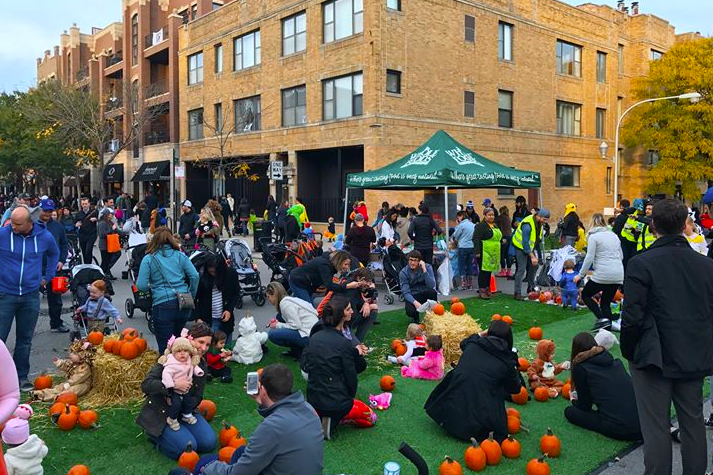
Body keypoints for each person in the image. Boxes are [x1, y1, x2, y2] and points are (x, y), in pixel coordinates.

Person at [621, 199, 713, 475]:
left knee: (657, 427)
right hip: (690, 352)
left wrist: (630, 350)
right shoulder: (706, 266)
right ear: (684, 226)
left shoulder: (642, 264)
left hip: (653, 356)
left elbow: (632, 316)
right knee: (692, 422)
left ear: (653, 226)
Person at [197, 364, 324, 475]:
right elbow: (282, 424)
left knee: (204, 463)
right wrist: (262, 401)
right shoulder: (308, 408)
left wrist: (208, 467)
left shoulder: (271, 427)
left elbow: (238, 473)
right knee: (241, 451)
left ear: (262, 389)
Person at [425, 320, 521, 443]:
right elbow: (515, 389)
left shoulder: (473, 344)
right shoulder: (507, 360)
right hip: (479, 422)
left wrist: (484, 333)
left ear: (488, 333)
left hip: (448, 412)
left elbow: (464, 343)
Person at [0, 207, 59, 391]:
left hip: (30, 295)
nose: (14, 227)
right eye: (12, 222)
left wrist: (46, 277)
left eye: (18, 224)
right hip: (5, 295)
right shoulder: (3, 234)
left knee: (25, 340)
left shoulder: (44, 236)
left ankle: (21, 377)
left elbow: (54, 253)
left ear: (29, 222)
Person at [137, 324, 216, 460]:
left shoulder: (200, 364)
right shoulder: (169, 358)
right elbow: (146, 384)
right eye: (201, 342)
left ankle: (182, 426)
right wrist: (172, 386)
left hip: (185, 411)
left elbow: (198, 395)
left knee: (209, 443)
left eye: (207, 345)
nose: (204, 348)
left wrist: (186, 405)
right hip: (162, 413)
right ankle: (155, 436)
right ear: (190, 340)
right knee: (188, 447)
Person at [302, 296, 365, 440]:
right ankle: (330, 421)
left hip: (312, 395)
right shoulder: (342, 342)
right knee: (346, 404)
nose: (352, 312)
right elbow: (351, 377)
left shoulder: (315, 337)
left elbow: (306, 363)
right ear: (341, 315)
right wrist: (350, 396)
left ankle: (319, 416)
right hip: (335, 402)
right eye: (348, 309)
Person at [564, 332, 641, 440]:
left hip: (622, 429)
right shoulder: (616, 362)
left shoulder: (582, 368)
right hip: (644, 424)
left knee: (570, 411)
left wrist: (573, 400)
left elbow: (584, 406)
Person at [137, 227, 200, 354]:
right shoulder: (180, 256)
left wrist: (153, 288)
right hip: (184, 301)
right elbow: (195, 276)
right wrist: (191, 294)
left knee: (166, 347)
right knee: (179, 343)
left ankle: (167, 371)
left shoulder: (149, 258)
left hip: (163, 303)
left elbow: (141, 286)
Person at [574, 213, 624, 331]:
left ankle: (603, 320)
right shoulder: (614, 235)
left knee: (586, 294)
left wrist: (580, 275)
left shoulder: (593, 237)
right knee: (605, 302)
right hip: (618, 273)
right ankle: (609, 322)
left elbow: (589, 257)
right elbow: (621, 256)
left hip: (603, 273)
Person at [38, 198, 69, 333]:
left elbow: (64, 244)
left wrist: (62, 260)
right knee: (31, 298)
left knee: (55, 297)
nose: (48, 214)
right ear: (40, 209)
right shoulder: (32, 224)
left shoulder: (57, 226)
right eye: (45, 210)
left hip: (53, 266)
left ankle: (56, 323)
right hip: (35, 266)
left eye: (50, 211)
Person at [160, 336, 204, 431]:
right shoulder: (171, 364)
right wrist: (172, 385)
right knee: (176, 404)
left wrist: (199, 372)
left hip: (186, 389)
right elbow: (166, 374)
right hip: (175, 390)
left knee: (188, 402)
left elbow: (194, 367)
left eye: (185, 351)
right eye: (179, 351)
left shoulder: (189, 361)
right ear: (174, 353)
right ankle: (172, 419)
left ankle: (186, 415)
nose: (182, 353)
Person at [194, 253, 239, 344]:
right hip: (208, 318)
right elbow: (195, 298)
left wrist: (229, 310)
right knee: (211, 347)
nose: (212, 274)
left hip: (225, 318)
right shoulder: (202, 278)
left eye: (215, 272)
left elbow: (236, 293)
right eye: (210, 272)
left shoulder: (231, 274)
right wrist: (197, 317)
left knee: (225, 345)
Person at [265, 282, 318, 358]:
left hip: (308, 334)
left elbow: (296, 325)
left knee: (272, 334)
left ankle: (300, 349)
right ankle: (296, 349)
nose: (268, 300)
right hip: (310, 331)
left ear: (275, 295)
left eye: (268, 297)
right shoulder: (288, 300)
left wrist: (277, 325)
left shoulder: (285, 304)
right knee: (279, 317)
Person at [288, 250, 360, 305]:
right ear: (339, 261)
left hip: (306, 283)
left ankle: (282, 317)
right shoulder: (325, 265)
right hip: (298, 281)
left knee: (297, 304)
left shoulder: (330, 264)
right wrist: (347, 286)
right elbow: (329, 285)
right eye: (345, 264)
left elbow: (328, 282)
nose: (347, 267)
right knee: (308, 307)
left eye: (348, 264)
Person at [512, 208, 549, 300]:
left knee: (534, 266)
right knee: (521, 269)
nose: (545, 222)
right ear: (538, 216)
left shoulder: (539, 223)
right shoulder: (527, 225)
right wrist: (532, 256)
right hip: (520, 247)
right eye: (544, 219)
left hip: (529, 247)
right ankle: (517, 293)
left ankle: (531, 288)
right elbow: (525, 244)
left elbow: (536, 239)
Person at [2, 404, 48, 475]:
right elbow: (44, 451)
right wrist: (42, 445)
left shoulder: (8, 458)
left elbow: (7, 472)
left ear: (6, 441)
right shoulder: (37, 445)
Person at [399, 250, 437, 323]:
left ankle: (432, 314)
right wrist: (415, 302)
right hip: (413, 295)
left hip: (425, 292)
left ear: (420, 261)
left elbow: (431, 285)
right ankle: (415, 317)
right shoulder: (403, 273)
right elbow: (406, 292)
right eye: (411, 260)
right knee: (410, 312)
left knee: (432, 292)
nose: (412, 263)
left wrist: (424, 271)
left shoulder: (428, 267)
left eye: (415, 260)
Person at [473, 207, 502, 299]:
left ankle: (487, 289)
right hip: (483, 252)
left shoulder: (495, 226)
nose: (491, 217)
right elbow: (475, 238)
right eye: (489, 215)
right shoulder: (481, 226)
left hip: (492, 253)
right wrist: (477, 252)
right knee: (483, 272)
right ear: (484, 216)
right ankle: (482, 290)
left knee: (489, 271)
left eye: (493, 215)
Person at [451, 211, 475, 291]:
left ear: (461, 216)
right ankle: (470, 284)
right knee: (469, 265)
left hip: (463, 247)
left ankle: (463, 284)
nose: (457, 219)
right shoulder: (472, 224)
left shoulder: (461, 225)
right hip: (471, 246)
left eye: (458, 217)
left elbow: (455, 235)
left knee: (461, 265)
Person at [97, 207, 121, 279]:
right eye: (110, 214)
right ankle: (100, 275)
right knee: (105, 262)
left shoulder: (110, 222)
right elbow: (102, 234)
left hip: (110, 245)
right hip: (104, 245)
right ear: (106, 215)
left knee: (107, 261)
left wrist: (123, 233)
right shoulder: (102, 223)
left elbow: (116, 230)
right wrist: (111, 230)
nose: (112, 216)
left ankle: (105, 273)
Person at [74, 197, 98, 264]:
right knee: (84, 252)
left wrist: (96, 219)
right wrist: (76, 225)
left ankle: (89, 264)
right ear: (81, 205)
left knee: (88, 250)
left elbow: (101, 218)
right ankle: (86, 265)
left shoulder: (94, 212)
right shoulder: (78, 214)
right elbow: (74, 223)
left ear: (89, 204)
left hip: (91, 234)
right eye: (83, 204)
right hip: (82, 235)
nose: (84, 205)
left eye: (86, 204)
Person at [497, 206, 513, 277]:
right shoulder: (508, 218)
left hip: (503, 237)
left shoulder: (501, 217)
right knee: (508, 254)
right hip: (510, 236)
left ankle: (503, 270)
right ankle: (509, 271)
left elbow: (497, 226)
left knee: (502, 255)